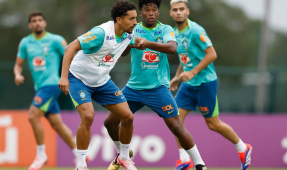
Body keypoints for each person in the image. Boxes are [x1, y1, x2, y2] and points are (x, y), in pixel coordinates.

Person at [104, 1, 207, 170]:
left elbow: (173, 48)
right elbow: (122, 53)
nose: (150, 13)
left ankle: (200, 165)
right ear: (141, 13)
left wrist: (147, 43)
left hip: (158, 89)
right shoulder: (133, 28)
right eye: (146, 10)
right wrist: (129, 42)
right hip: (133, 89)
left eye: (154, 10)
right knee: (109, 122)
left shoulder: (165, 29)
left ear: (158, 12)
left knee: (176, 126)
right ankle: (122, 155)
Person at [169, 0, 253, 170]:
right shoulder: (173, 34)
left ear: (187, 11)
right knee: (174, 120)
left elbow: (212, 54)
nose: (178, 12)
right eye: (175, 9)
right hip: (188, 84)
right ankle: (184, 159)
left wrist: (192, 72)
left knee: (213, 124)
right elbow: (185, 56)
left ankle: (243, 148)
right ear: (170, 13)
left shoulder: (196, 31)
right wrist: (177, 76)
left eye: (181, 9)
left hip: (205, 83)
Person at [57, 1, 141, 170]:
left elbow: (132, 44)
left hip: (102, 81)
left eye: (136, 18)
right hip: (78, 79)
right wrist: (64, 77)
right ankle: (81, 165)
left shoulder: (129, 34)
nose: (135, 22)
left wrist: (139, 44)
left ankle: (123, 158)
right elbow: (70, 48)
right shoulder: (100, 33)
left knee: (128, 117)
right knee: (88, 116)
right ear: (119, 19)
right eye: (131, 18)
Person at [13, 12, 89, 170]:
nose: (37, 23)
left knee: (32, 115)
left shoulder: (55, 40)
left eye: (40, 20)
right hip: (40, 88)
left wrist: (71, 78)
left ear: (44, 23)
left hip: (53, 84)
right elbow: (18, 64)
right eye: (34, 21)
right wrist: (18, 74)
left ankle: (41, 154)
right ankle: (79, 154)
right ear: (30, 25)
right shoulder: (25, 43)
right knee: (57, 124)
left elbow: (71, 55)